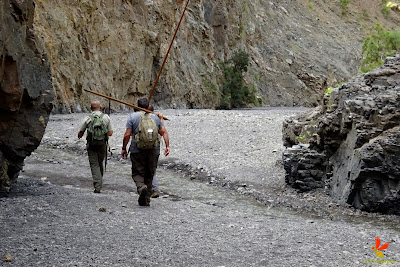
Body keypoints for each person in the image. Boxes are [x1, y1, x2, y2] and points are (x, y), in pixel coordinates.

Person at [121, 98, 170, 206]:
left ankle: (141, 187)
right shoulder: (155, 117)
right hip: (153, 149)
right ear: (148, 106)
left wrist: (124, 148)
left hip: (137, 149)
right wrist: (167, 146)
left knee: (137, 172)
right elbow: (163, 132)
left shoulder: (132, 117)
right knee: (149, 174)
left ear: (137, 105)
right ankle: (146, 199)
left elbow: (127, 135)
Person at [78, 100, 113, 193]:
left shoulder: (87, 118)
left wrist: (79, 136)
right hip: (102, 144)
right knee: (100, 162)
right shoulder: (106, 117)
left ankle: (98, 186)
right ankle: (99, 181)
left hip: (91, 144)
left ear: (90, 108)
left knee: (94, 164)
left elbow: (81, 132)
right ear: (100, 108)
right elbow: (110, 133)